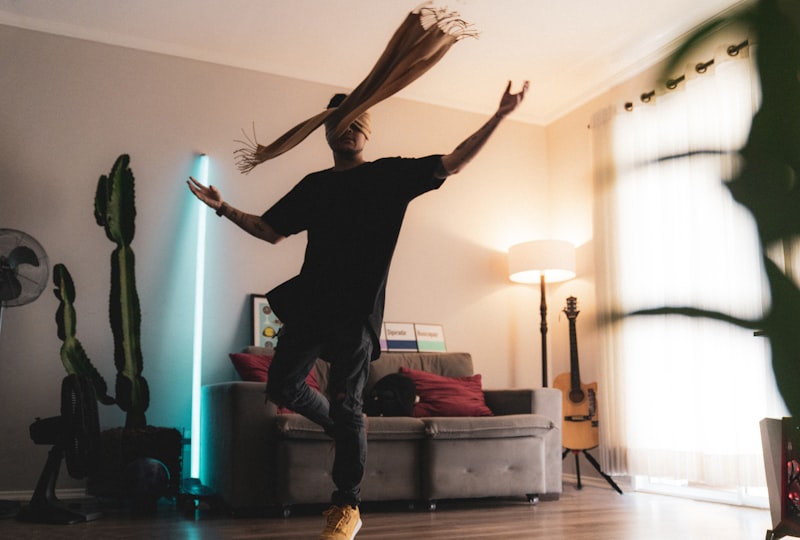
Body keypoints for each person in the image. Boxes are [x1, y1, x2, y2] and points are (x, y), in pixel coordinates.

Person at [187, 80, 528, 540]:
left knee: (349, 405)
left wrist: (500, 116)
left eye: (356, 123)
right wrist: (223, 207)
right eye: (339, 124)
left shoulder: (388, 176)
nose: (347, 130)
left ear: (367, 133)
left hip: (355, 315)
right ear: (327, 133)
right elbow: (270, 230)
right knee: (283, 384)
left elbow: (453, 162)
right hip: (310, 305)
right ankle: (345, 429)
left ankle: (346, 505)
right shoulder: (315, 186)